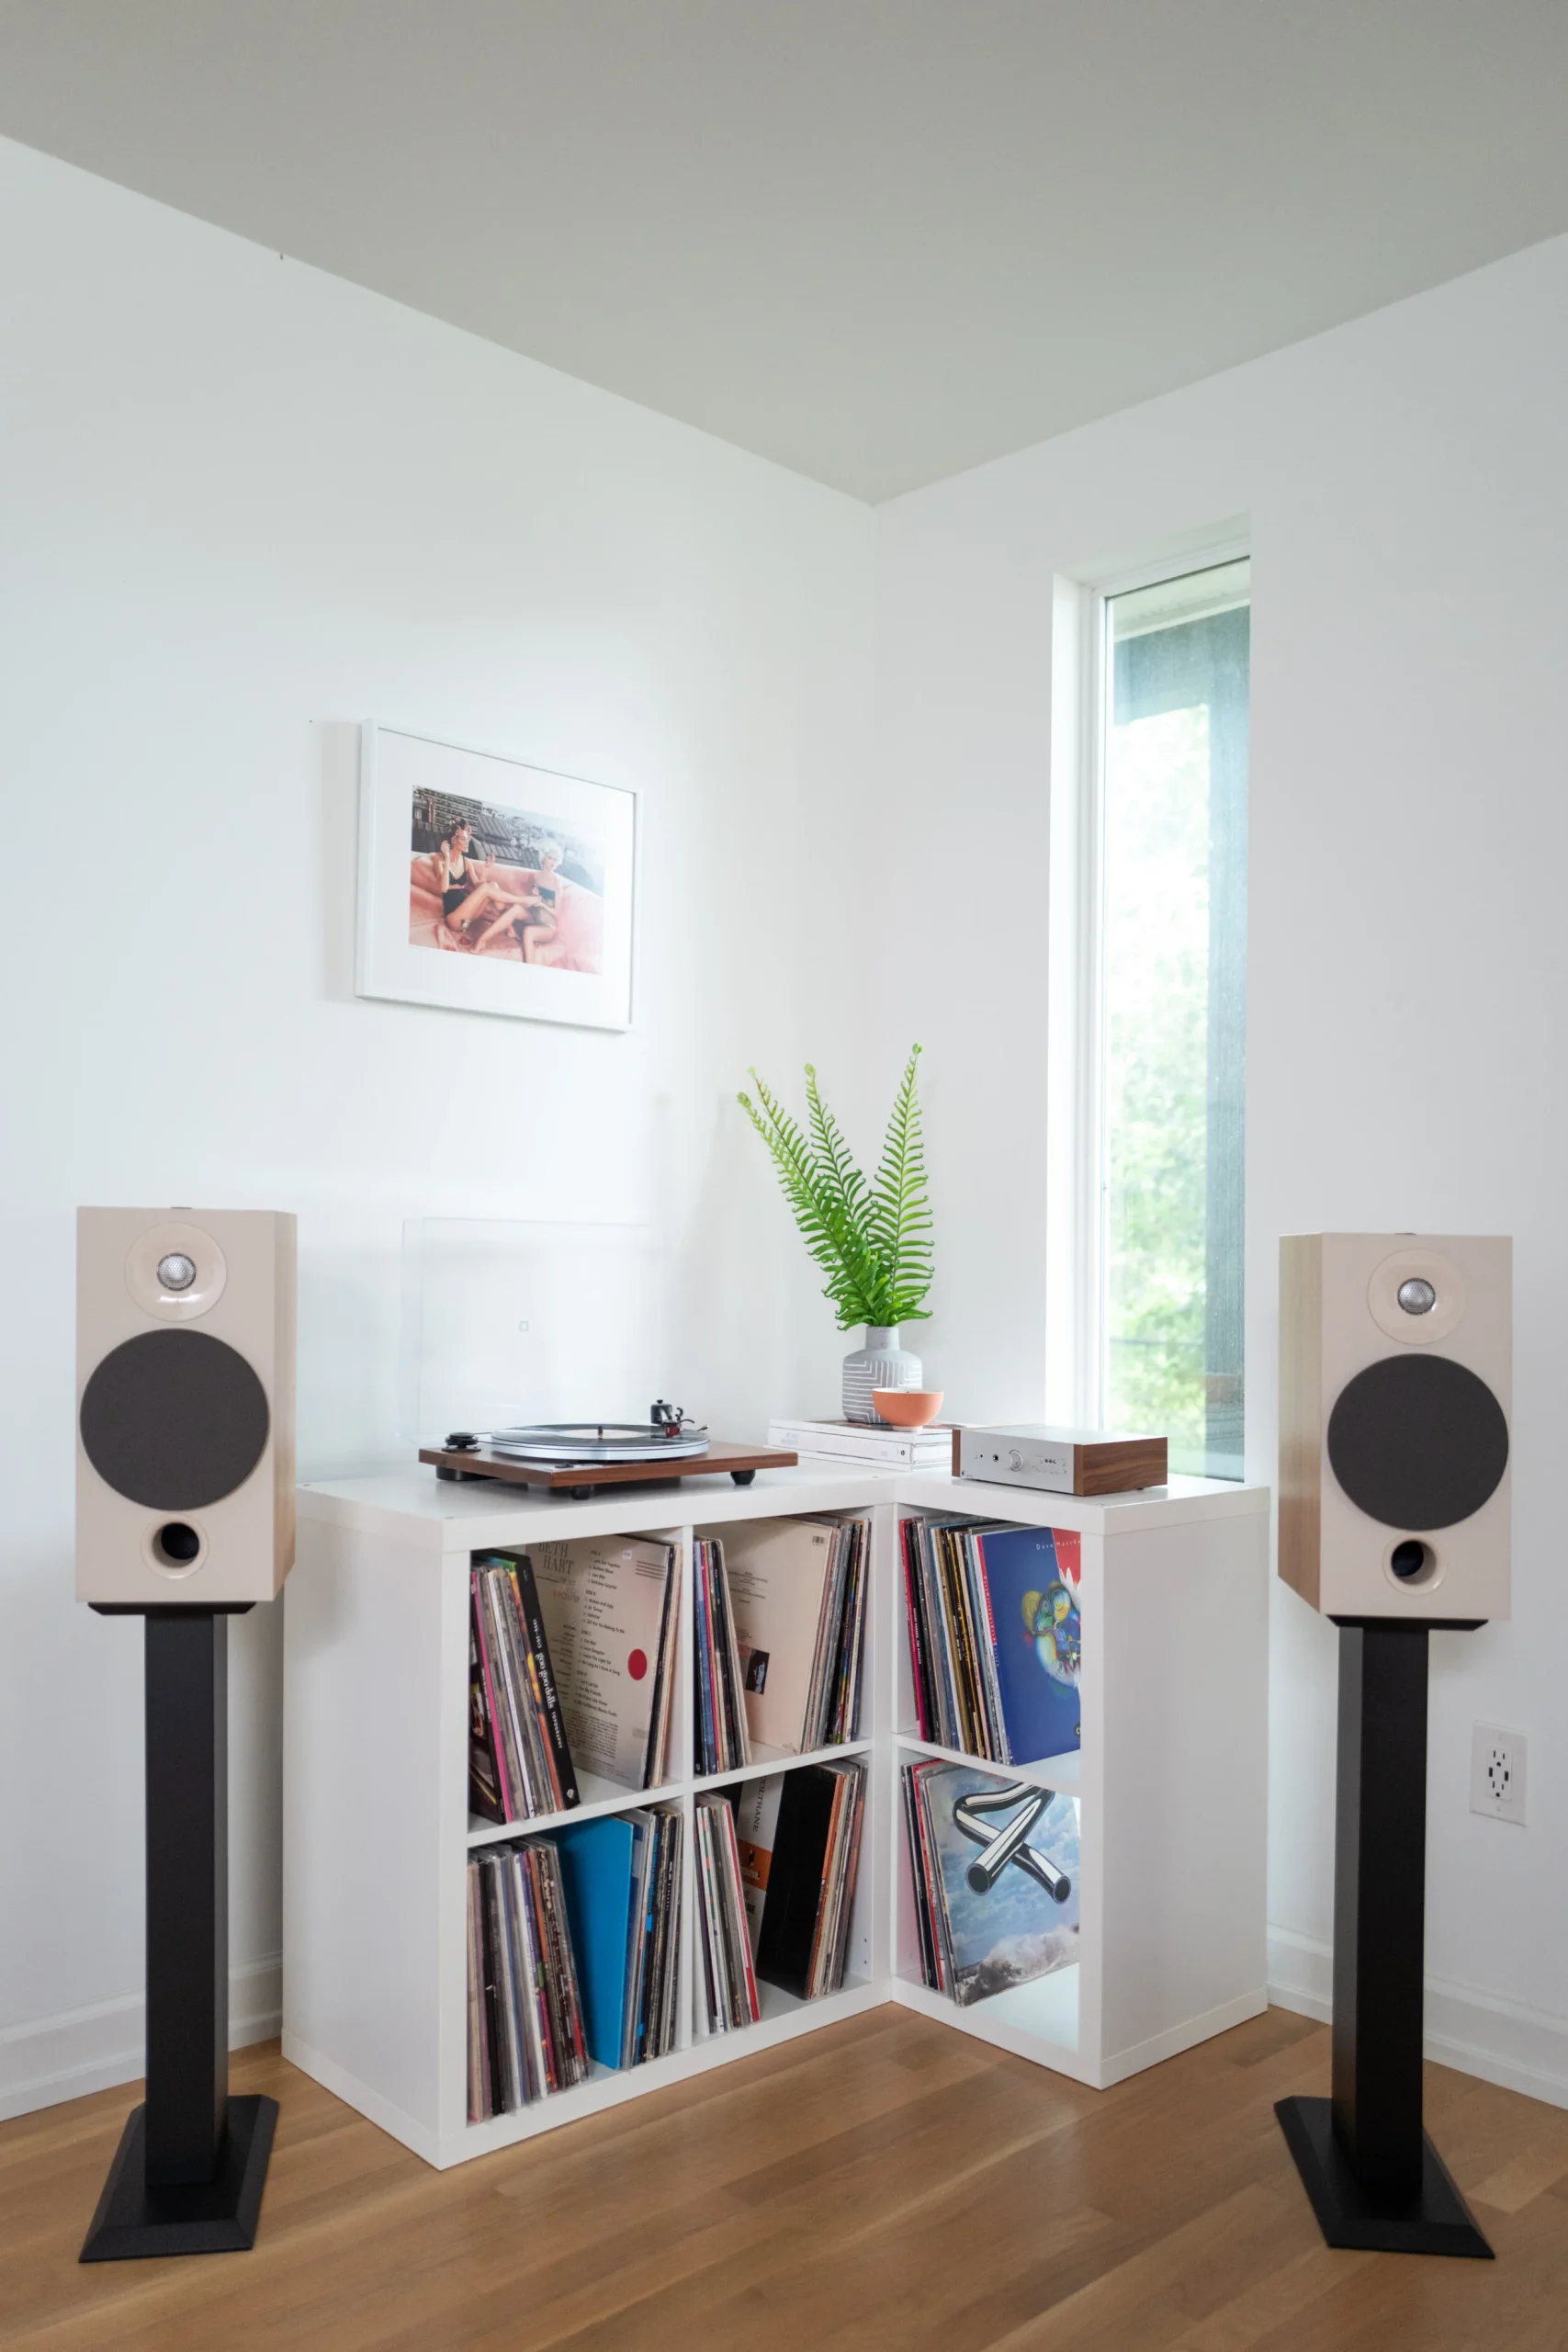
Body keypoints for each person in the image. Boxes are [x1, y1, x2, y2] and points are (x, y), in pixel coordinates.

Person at [434, 822, 531, 949]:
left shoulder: (467, 862)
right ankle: (522, 901)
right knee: (488, 888)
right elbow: (443, 888)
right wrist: (447, 858)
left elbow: (479, 886)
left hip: (467, 920)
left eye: (467, 839)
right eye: (463, 839)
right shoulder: (440, 860)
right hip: (454, 920)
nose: (467, 842)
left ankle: (510, 927)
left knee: (493, 885)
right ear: (453, 841)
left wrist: (485, 870)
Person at [467, 846, 565, 962]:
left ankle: (529, 969)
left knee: (528, 932)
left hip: (548, 925)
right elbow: (532, 902)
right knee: (516, 908)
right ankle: (482, 940)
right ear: (543, 858)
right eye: (550, 858)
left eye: (555, 859)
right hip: (533, 916)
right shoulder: (537, 877)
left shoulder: (557, 882)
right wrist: (534, 897)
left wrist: (542, 904)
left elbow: (558, 913)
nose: (553, 862)